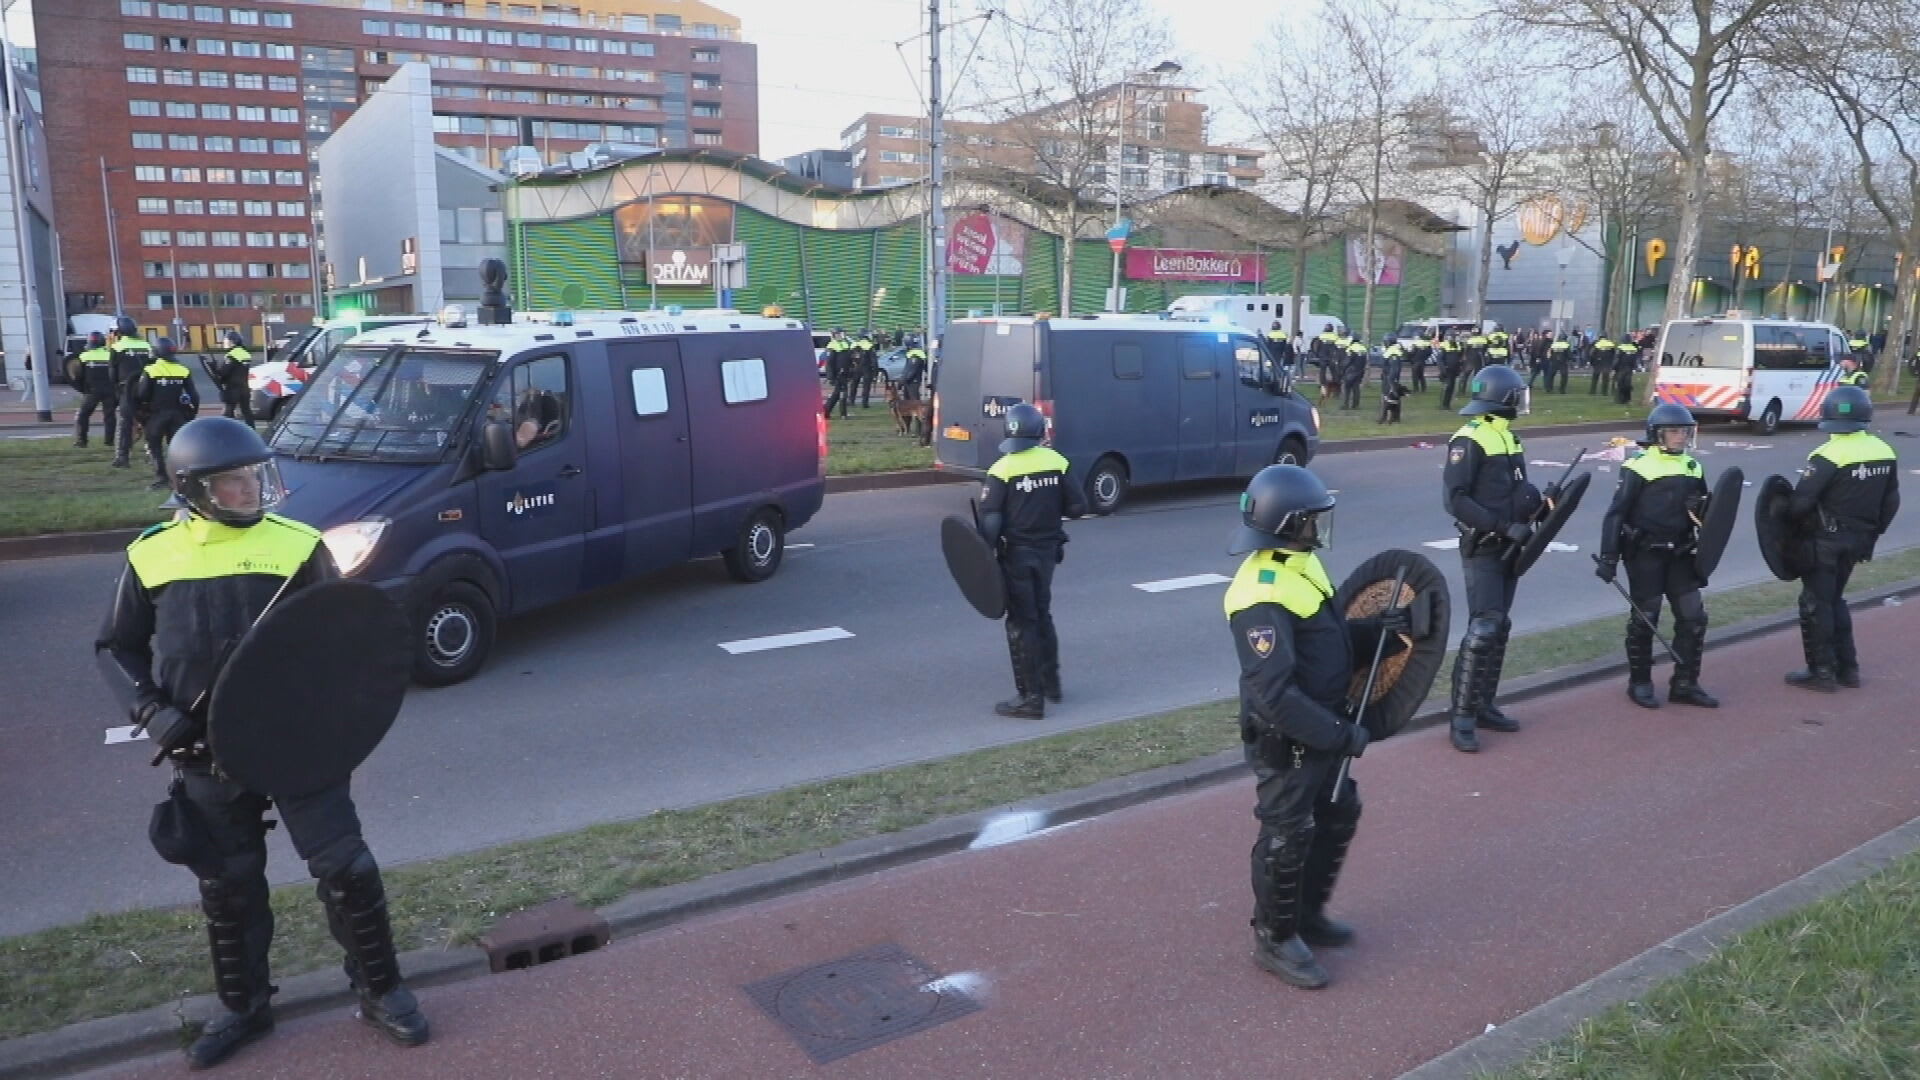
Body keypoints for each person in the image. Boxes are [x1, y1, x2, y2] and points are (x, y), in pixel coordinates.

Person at [95, 417, 430, 1068]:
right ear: (193, 490)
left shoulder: (300, 545)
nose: (250, 491)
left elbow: (342, 640)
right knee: (229, 887)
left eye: (255, 477)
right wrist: (153, 713)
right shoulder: (152, 554)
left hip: (298, 744)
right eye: (232, 484)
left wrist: (340, 716)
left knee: (348, 870)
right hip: (203, 753)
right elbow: (116, 648)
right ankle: (243, 1006)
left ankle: (381, 990)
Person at [1224, 464, 1407, 989]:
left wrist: (1374, 635)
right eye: (1311, 520)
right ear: (1287, 524)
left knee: (1337, 809)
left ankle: (1306, 915)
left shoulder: (1299, 565)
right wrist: (1339, 734)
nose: (1320, 528)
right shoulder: (1258, 593)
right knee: (1288, 831)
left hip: (1323, 724)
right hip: (1290, 737)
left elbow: (1322, 640)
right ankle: (1274, 937)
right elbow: (1274, 693)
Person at [1441, 364, 1543, 753]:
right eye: (1517, 393)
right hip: (1484, 544)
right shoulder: (1468, 439)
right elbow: (1456, 500)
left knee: (1500, 625)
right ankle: (1461, 716)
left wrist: (1541, 502)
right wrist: (1502, 527)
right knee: (1484, 627)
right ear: (1504, 397)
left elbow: (1515, 488)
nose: (1521, 399)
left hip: (1511, 543)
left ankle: (1484, 704)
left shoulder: (1508, 437)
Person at [1595, 404, 1719, 709]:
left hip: (1680, 555)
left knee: (1693, 618)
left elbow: (1705, 513)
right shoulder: (1638, 467)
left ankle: (1685, 683)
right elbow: (1615, 514)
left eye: (1685, 431)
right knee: (1645, 621)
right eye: (1674, 431)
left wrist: (1705, 547)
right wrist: (1609, 557)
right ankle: (1640, 683)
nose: (1680, 437)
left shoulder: (1693, 467)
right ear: (1657, 434)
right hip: (1645, 555)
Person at [1784, 385, 1899, 692]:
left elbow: (1800, 504)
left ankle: (1821, 672)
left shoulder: (1826, 455)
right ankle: (1849, 669)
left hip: (1825, 542)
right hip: (1858, 541)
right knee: (1835, 600)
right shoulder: (1884, 450)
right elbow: (1891, 502)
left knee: (1815, 603)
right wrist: (1873, 534)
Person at [977, 402, 1086, 718]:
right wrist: (1048, 512)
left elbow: (991, 520)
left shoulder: (1002, 468)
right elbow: (1078, 506)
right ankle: (1052, 684)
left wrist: (986, 552)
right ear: (1040, 432)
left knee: (1021, 622)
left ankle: (1030, 698)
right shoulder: (1057, 462)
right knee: (1042, 614)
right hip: (1048, 552)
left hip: (1018, 555)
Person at [129, 338, 201, 489]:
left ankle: (162, 478)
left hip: (157, 415)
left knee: (154, 446)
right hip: (178, 414)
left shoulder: (150, 370)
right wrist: (191, 414)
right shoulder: (183, 369)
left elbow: (142, 395)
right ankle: (183, 478)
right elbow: (194, 396)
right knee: (178, 447)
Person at [109, 317, 155, 467]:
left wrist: (116, 390)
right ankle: (153, 454)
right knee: (149, 422)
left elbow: (112, 373)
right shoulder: (147, 345)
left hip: (126, 389)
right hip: (145, 388)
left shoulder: (117, 347)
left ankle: (123, 457)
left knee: (125, 423)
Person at [73, 331, 118, 449]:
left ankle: (82, 441)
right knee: (109, 416)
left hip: (92, 391)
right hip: (110, 390)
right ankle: (109, 441)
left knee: (83, 415)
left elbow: (78, 376)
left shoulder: (84, 356)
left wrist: (83, 389)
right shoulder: (110, 355)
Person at [209, 331, 256, 427]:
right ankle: (252, 431)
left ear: (233, 342)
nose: (225, 343)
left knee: (229, 413)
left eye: (227, 341)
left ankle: (230, 433)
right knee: (246, 412)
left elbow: (223, 372)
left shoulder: (231, 355)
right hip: (244, 388)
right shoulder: (245, 353)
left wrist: (214, 367)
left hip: (232, 389)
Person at [822, 330, 853, 419]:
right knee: (843, 393)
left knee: (836, 394)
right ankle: (843, 414)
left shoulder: (845, 344)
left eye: (841, 334)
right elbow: (829, 364)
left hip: (845, 373)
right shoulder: (832, 346)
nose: (840, 335)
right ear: (834, 335)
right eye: (838, 334)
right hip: (838, 374)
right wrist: (831, 377)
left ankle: (826, 411)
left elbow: (847, 359)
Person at [1340, 337, 1368, 411]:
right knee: (1356, 389)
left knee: (1347, 388)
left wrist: (1342, 370)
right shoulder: (1363, 348)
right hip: (1360, 371)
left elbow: (1347, 361)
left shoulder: (1351, 348)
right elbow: (1365, 361)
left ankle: (1346, 405)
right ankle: (1355, 405)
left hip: (1351, 372)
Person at [1436, 334, 1464, 410]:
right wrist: (1443, 369)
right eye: (1449, 337)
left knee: (1451, 388)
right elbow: (1440, 359)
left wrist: (1460, 367)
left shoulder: (1458, 345)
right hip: (1447, 370)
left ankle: (1447, 404)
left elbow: (1460, 357)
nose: (1451, 338)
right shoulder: (1444, 345)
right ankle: (1444, 404)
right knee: (1447, 387)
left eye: (1452, 337)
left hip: (1454, 370)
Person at [855, 329, 880, 408]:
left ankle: (851, 400)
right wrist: (875, 371)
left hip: (857, 367)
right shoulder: (869, 345)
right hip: (867, 368)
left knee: (854, 384)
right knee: (866, 386)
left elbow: (851, 357)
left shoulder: (855, 344)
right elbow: (874, 360)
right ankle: (864, 403)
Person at [1612, 336, 1641, 404]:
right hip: (1629, 369)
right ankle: (1627, 399)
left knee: (1620, 384)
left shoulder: (1621, 348)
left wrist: (1614, 368)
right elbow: (1635, 359)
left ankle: (1620, 399)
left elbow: (1617, 359)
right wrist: (1634, 368)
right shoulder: (1633, 348)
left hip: (1621, 368)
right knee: (1627, 384)